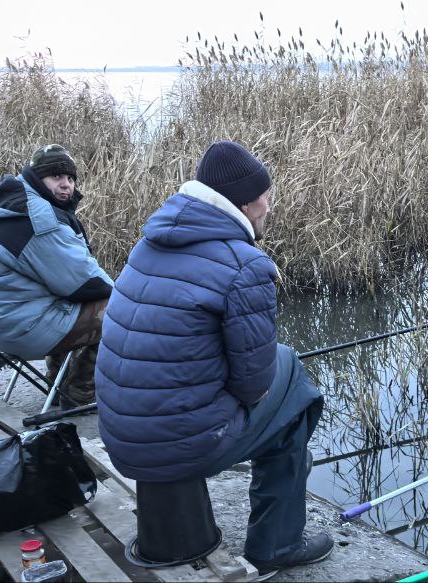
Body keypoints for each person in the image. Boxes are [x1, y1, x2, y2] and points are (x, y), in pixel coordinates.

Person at [96, 141, 332, 579]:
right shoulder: (246, 266)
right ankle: (277, 545)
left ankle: (186, 529)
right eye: (266, 196)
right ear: (244, 203)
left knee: (268, 369)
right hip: (178, 443)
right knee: (296, 394)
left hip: (122, 435)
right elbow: (253, 386)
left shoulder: (148, 244)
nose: (269, 206)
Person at [0, 145, 111, 405]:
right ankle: (80, 392)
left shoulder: (10, 203)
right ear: (37, 179)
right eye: (56, 176)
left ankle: (56, 381)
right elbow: (84, 282)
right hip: (19, 326)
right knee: (121, 310)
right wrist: (126, 293)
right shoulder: (39, 219)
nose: (66, 184)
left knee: (67, 301)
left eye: (70, 178)